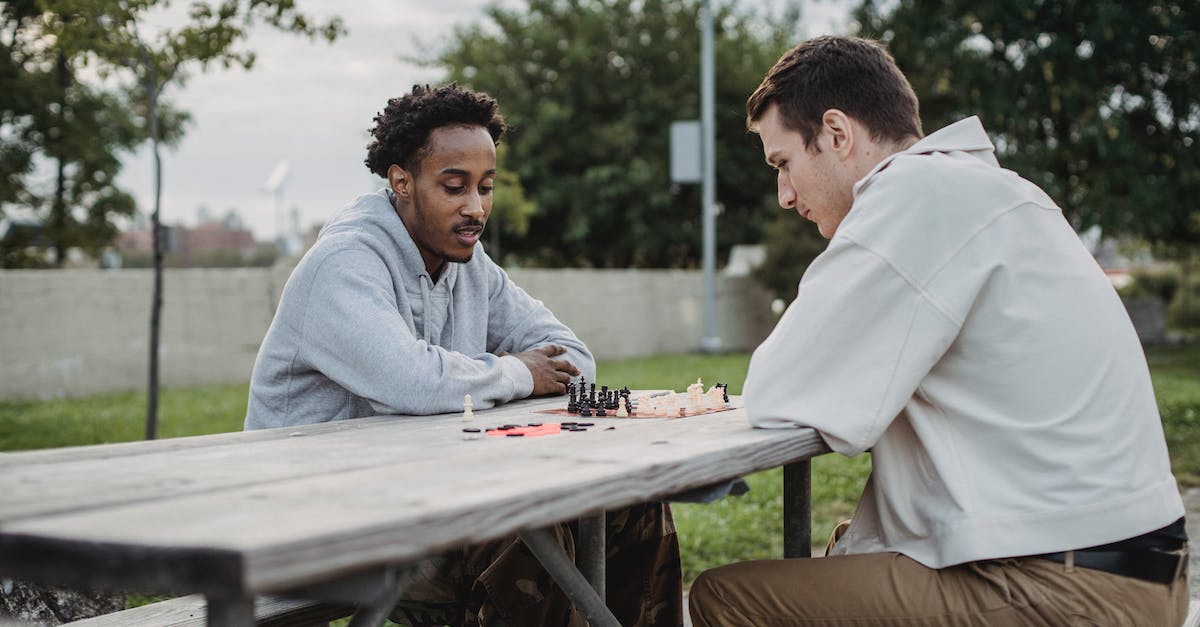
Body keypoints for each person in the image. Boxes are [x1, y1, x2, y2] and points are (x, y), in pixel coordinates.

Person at [689, 36, 1188, 626]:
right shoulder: (997, 192)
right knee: (849, 547)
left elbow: (778, 387)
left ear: (837, 133)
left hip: (1066, 588)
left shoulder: (912, 197)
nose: (785, 196)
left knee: (728, 599)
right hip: (1128, 564)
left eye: (784, 164)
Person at [245, 84, 681, 626]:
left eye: (486, 187)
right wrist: (517, 371)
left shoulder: (468, 264)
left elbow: (573, 360)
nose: (475, 208)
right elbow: (413, 382)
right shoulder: (344, 264)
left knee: (629, 503)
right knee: (522, 532)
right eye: (454, 186)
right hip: (314, 525)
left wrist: (503, 375)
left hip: (417, 501)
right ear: (401, 181)